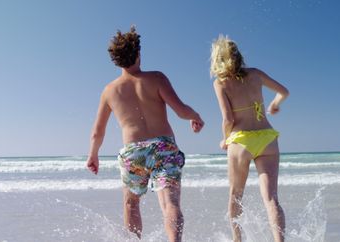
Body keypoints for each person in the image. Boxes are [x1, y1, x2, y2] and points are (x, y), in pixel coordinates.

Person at [86, 26, 204, 242]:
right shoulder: (157, 78)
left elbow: (97, 132)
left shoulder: (110, 90)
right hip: (163, 148)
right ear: (139, 54)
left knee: (131, 203)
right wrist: (195, 116)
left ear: (116, 60)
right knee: (171, 203)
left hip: (133, 153)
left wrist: (93, 155)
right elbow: (180, 110)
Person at [210, 35, 290, 242]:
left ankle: (238, 240)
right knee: (271, 199)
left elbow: (228, 119)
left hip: (241, 141)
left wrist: (224, 139)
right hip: (267, 138)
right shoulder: (256, 74)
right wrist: (274, 105)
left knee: (236, 195)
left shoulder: (220, 84)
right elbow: (284, 92)